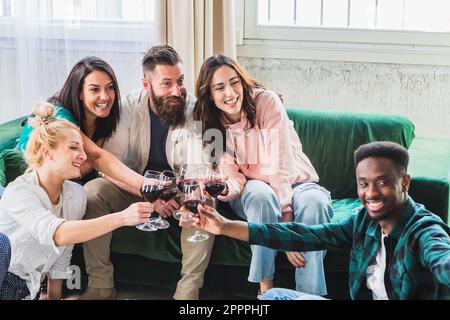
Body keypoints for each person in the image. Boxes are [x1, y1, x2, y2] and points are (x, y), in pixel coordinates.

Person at [192, 141, 450, 300]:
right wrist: (224, 227)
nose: (370, 193)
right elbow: (303, 235)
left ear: (404, 183)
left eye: (382, 182)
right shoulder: (363, 221)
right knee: (274, 295)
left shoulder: (423, 230)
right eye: (363, 184)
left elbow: (441, 259)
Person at [80, 45, 214, 300]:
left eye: (180, 81)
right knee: (93, 191)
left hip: (179, 194)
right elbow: (111, 166)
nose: (177, 91)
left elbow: (200, 167)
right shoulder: (127, 107)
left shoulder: (195, 109)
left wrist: (176, 195)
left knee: (206, 200)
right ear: (146, 84)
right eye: (166, 84)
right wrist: (149, 196)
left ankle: (187, 294)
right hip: (136, 189)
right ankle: (100, 285)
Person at [193, 55, 333, 297]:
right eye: (219, 87)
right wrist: (223, 188)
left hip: (296, 182)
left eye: (234, 82)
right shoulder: (212, 126)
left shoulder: (266, 102)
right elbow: (235, 181)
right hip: (255, 187)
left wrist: (287, 230)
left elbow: (281, 165)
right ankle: (266, 291)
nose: (230, 93)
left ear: (243, 82)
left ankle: (309, 295)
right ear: (210, 95)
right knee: (259, 195)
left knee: (315, 203)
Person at [0, 103, 153, 300]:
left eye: (83, 148)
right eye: (73, 147)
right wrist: (122, 217)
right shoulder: (20, 193)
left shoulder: (76, 195)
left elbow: (62, 254)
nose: (83, 155)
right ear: (48, 152)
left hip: (29, 290)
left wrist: (55, 297)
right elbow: (59, 234)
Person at [16, 56, 143, 189]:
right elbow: (95, 158)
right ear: (79, 93)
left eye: (110, 87)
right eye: (95, 89)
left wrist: (145, 191)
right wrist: (144, 183)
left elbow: (105, 168)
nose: (105, 96)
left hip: (73, 181)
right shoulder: (59, 116)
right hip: (31, 177)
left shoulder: (107, 117)